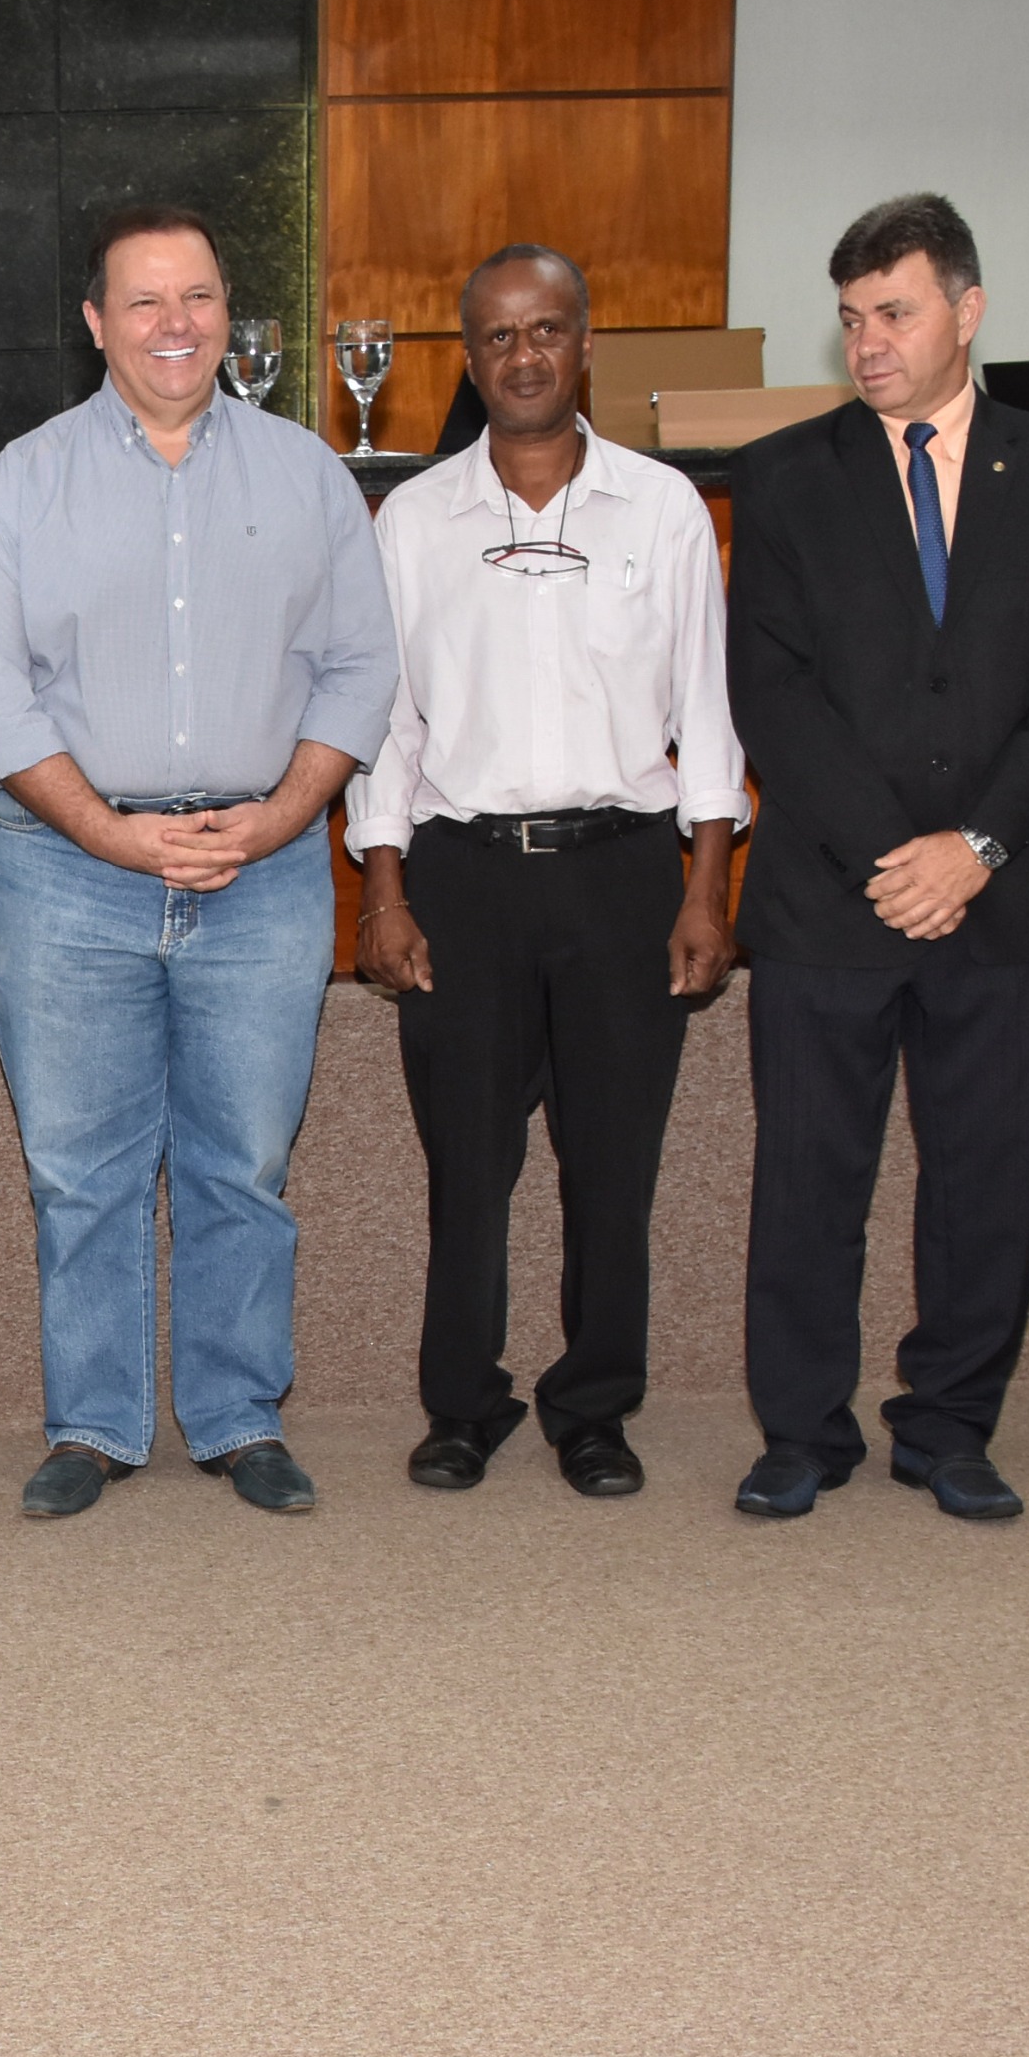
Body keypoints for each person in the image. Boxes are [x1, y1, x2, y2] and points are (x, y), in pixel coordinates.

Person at [0, 204, 398, 1519]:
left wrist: (283, 814)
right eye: (143, 301)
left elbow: (362, 668)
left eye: (196, 297)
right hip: (65, 870)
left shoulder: (307, 473)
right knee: (78, 1168)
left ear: (226, 313)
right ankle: (91, 1424)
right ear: (97, 323)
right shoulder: (25, 480)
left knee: (240, 1162)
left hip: (264, 864)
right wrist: (109, 831)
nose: (175, 324)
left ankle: (239, 1414)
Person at [724, 193, 1029, 1523]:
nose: (868, 342)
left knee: (981, 1187)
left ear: (968, 309)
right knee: (807, 1182)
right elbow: (771, 694)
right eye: (850, 318)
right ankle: (801, 1431)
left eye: (893, 312)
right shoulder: (784, 475)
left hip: (998, 898)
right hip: (829, 897)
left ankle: (949, 1426)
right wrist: (900, 854)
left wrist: (977, 847)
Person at [346, 245, 748, 1499]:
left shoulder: (662, 510)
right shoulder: (412, 521)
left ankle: (593, 1408)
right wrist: (381, 890)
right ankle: (461, 1404)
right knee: (467, 1170)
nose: (523, 355)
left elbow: (706, 715)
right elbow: (384, 726)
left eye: (547, 330)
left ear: (585, 346)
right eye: (497, 336)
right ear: (469, 360)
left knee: (611, 1169)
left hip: (621, 876)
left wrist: (704, 889)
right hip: (461, 879)